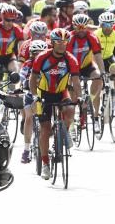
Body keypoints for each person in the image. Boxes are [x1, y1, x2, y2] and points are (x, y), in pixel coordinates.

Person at [28, 28, 80, 180]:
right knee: (45, 129)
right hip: (44, 94)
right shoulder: (42, 57)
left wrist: (81, 98)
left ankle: (62, 134)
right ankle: (45, 164)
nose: (62, 45)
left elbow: (76, 82)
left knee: (70, 109)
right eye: (58, 42)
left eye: (65, 42)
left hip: (61, 92)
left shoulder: (71, 59)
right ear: (52, 42)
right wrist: (34, 95)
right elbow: (33, 78)